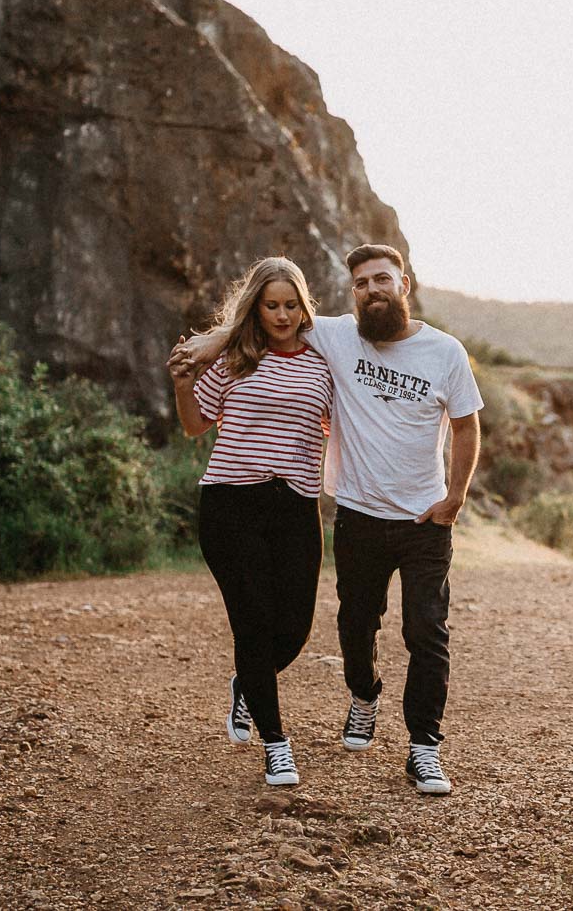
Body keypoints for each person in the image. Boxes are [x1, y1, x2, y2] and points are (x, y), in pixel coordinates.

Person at [176, 243, 481, 795]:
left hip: (398, 517)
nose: (372, 290)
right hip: (326, 513)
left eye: (381, 280)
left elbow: (466, 426)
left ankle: (423, 748)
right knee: (342, 626)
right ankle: (320, 718)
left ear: (403, 285)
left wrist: (454, 499)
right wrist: (204, 347)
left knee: (418, 631)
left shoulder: (437, 352)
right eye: (361, 283)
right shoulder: (335, 338)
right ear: (352, 294)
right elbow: (260, 327)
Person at [169, 256, 332, 788]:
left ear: (303, 307)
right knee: (253, 622)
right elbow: (195, 425)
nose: (281, 315)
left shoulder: (322, 363)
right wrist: (182, 382)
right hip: (230, 504)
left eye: (290, 305)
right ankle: (276, 743)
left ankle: (247, 684)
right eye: (271, 305)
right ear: (255, 308)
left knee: (295, 627)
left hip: (296, 507)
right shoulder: (235, 360)